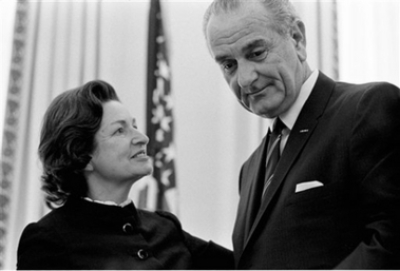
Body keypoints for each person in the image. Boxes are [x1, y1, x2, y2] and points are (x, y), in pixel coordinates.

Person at [203, 0, 400, 269]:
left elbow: (391, 238)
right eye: (229, 65)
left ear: (297, 39)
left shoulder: (367, 107)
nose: (246, 79)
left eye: (257, 53)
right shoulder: (248, 171)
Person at [16, 80, 233, 270]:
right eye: (120, 130)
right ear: (82, 154)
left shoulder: (166, 227)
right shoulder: (48, 240)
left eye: (135, 126)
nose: (143, 138)